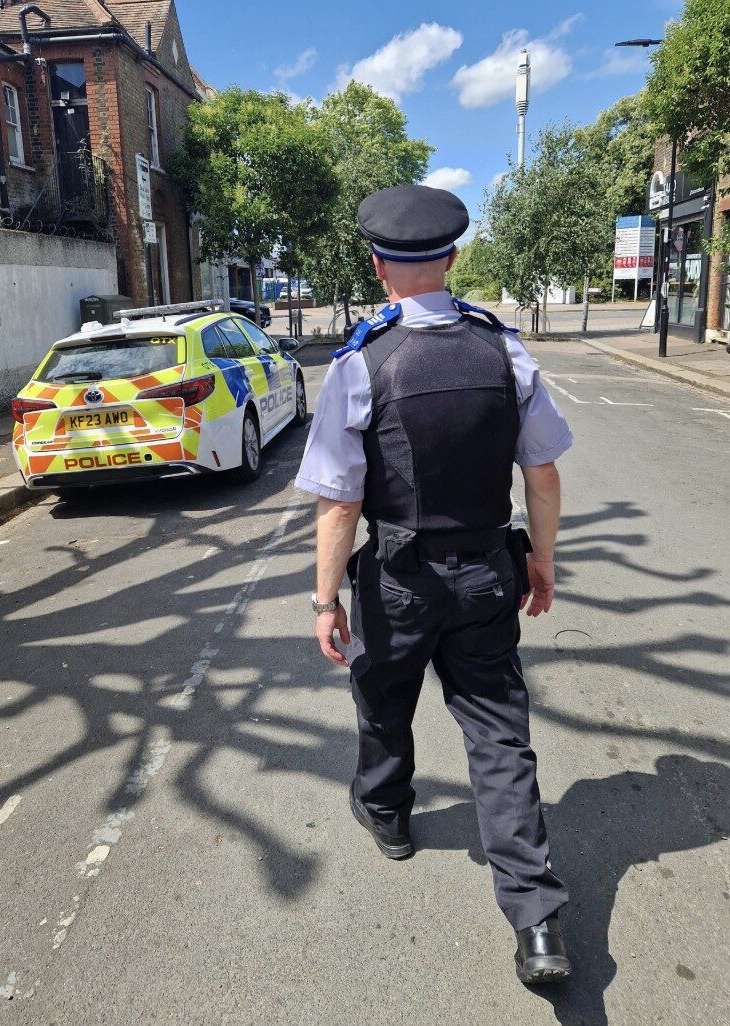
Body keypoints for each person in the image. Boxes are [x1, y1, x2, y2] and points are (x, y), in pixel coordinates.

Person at [295, 184, 575, 985]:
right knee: (498, 737)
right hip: (489, 572)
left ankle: (388, 816)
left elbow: (341, 502)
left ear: (379, 266)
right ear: (452, 259)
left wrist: (325, 600)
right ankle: (538, 924)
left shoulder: (361, 362)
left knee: (383, 699)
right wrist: (542, 558)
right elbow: (543, 471)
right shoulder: (502, 350)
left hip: (398, 580)